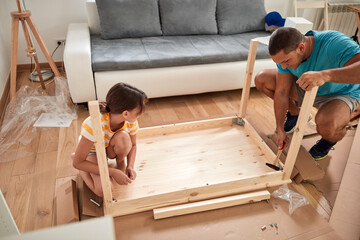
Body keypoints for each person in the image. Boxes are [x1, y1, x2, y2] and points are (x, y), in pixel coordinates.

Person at [255, 27, 360, 160]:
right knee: (262, 79)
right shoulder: (285, 59)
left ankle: (328, 140)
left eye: (286, 61)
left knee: (327, 125)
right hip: (307, 87)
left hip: (341, 93)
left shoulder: (334, 43)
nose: (284, 66)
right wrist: (280, 128)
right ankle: (295, 112)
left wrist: (325, 75)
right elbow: (282, 92)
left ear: (301, 48)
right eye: (280, 63)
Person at [72, 83, 148, 197]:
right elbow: (77, 163)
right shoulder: (93, 124)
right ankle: (78, 159)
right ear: (125, 113)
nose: (139, 116)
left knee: (123, 138)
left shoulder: (130, 121)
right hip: (93, 151)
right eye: (138, 113)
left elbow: (133, 145)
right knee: (104, 190)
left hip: (109, 148)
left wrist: (130, 166)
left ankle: (120, 161)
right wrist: (112, 172)